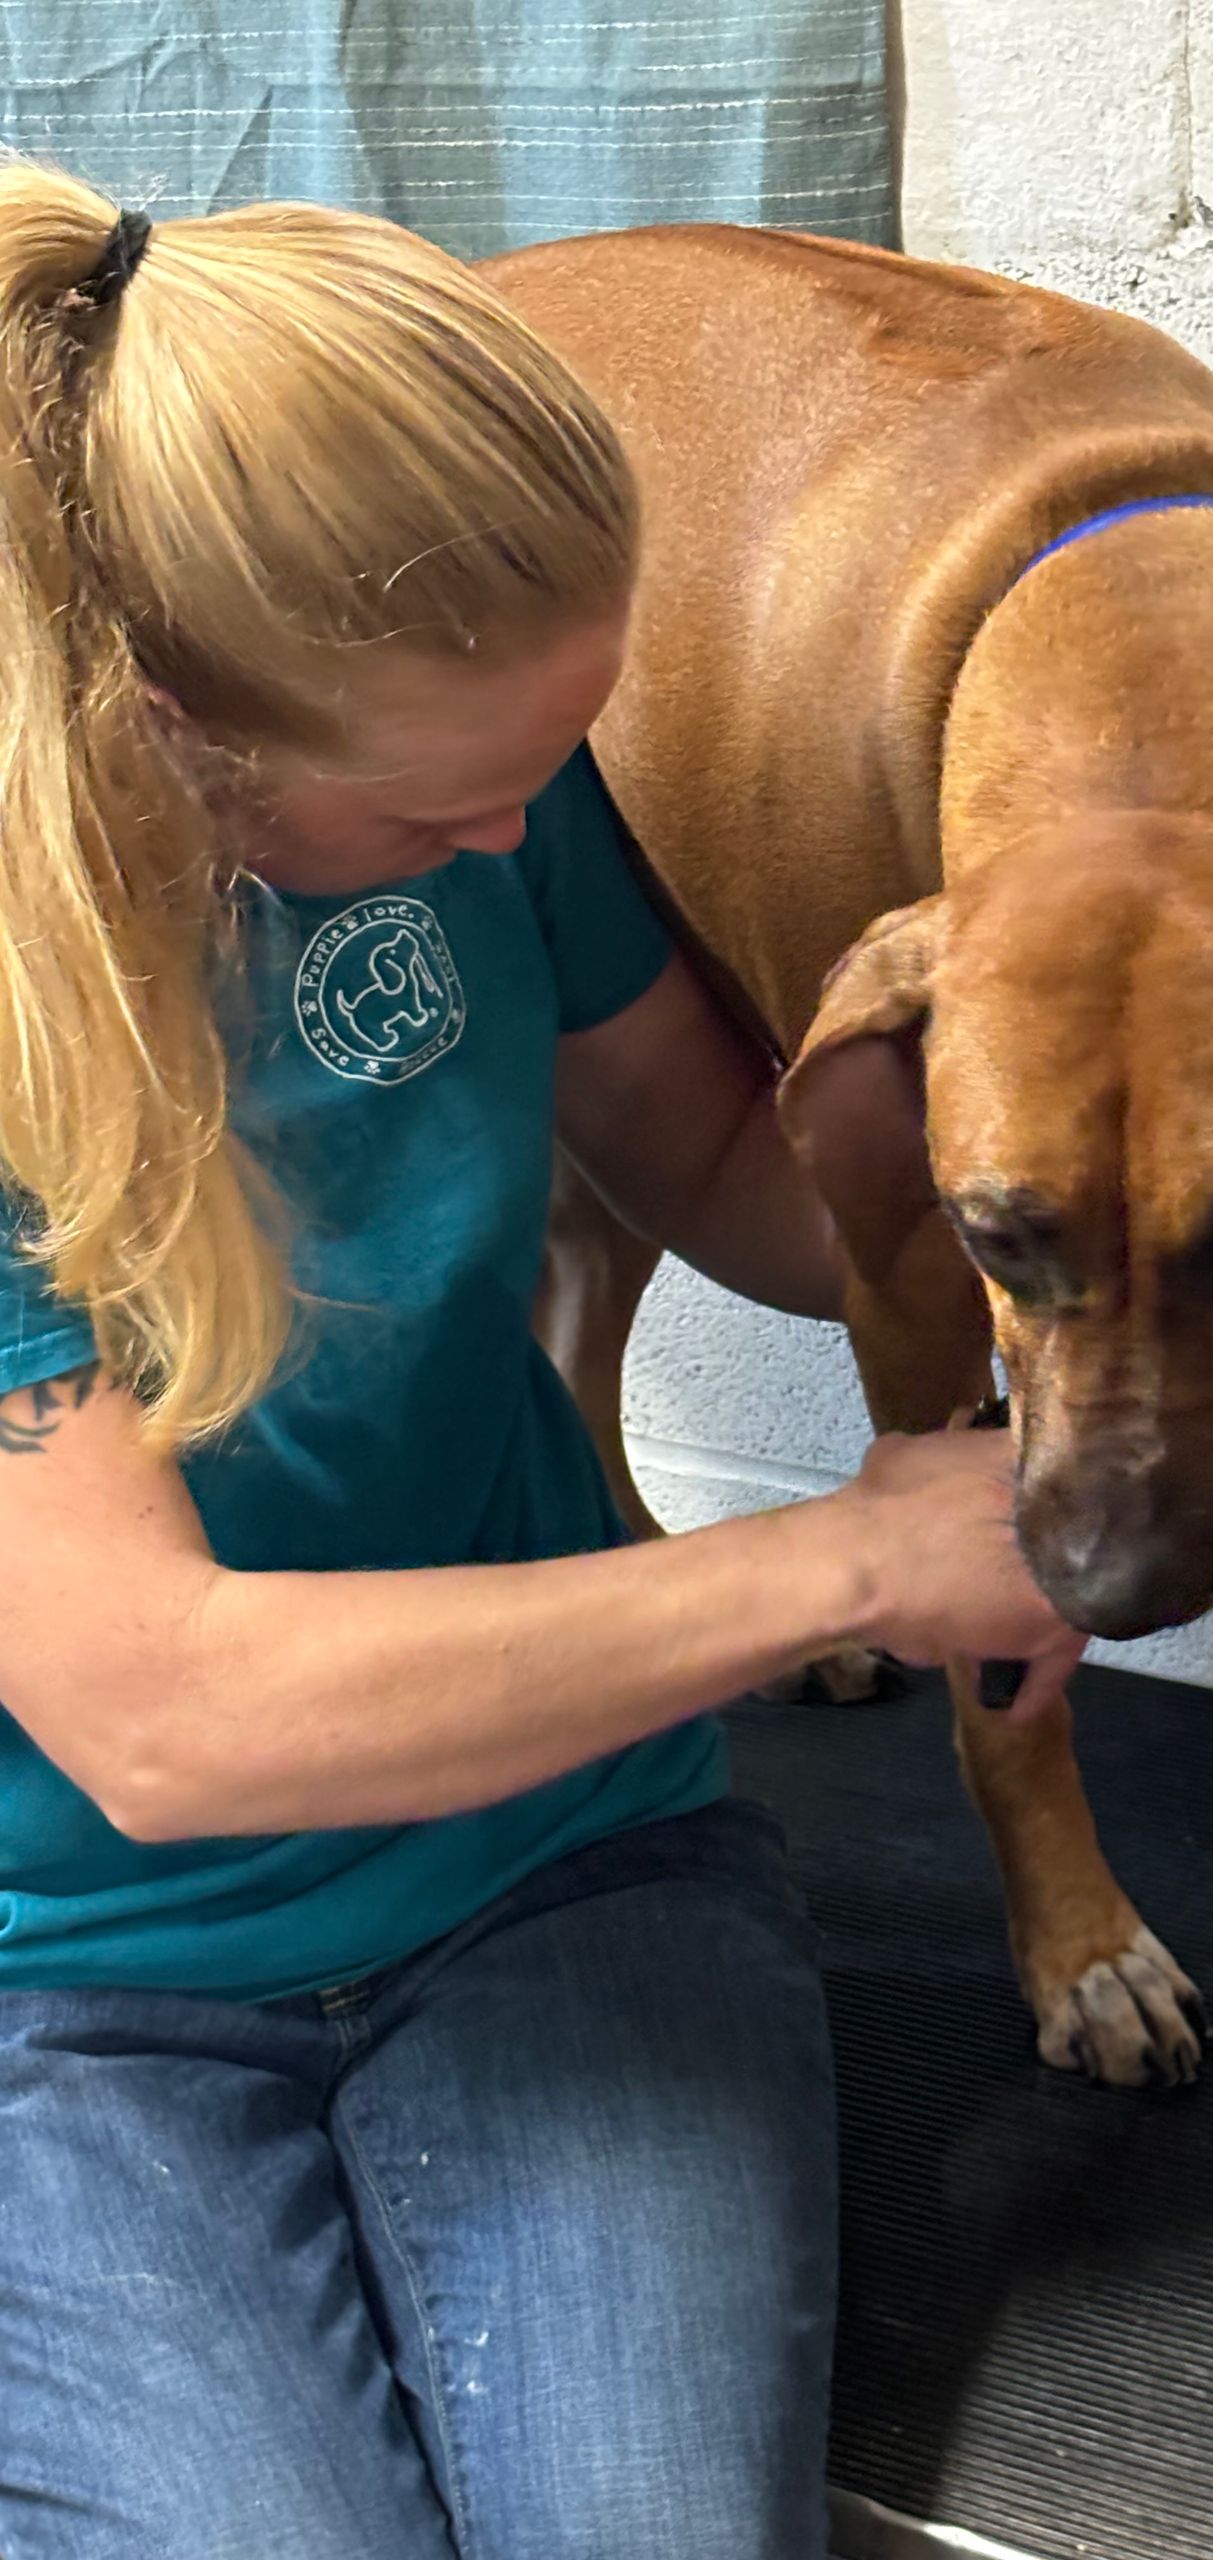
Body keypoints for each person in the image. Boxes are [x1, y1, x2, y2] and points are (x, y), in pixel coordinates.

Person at [0, 164, 1080, 2560]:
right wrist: (852, 1561)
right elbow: (170, 1715)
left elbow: (722, 1155)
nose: (515, 831)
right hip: (65, 1978)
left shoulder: (491, 778)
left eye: (547, 764)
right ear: (159, 725)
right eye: (434, 807)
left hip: (559, 1867)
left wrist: (1048, 1210)